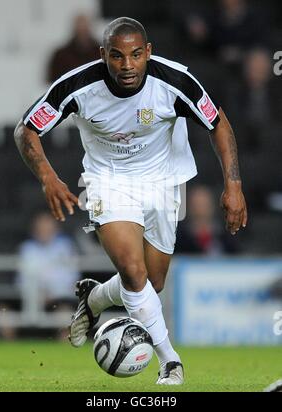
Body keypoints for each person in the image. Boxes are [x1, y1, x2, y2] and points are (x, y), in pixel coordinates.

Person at [14, 17, 247, 385]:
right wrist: (48, 177)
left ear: (148, 52)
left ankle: (95, 298)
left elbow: (218, 122)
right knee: (133, 274)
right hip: (108, 182)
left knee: (151, 283)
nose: (127, 65)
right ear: (103, 54)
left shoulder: (173, 81)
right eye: (118, 56)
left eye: (136, 55)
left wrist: (233, 185)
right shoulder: (79, 85)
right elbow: (26, 128)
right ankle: (170, 360)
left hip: (164, 182)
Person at [17, 211, 80, 339]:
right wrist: (40, 291)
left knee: (65, 316)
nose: (44, 230)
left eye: (47, 227)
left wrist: (52, 292)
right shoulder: (27, 248)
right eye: (41, 228)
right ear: (34, 230)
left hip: (60, 297)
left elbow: (71, 276)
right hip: (32, 297)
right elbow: (23, 278)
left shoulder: (65, 246)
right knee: (5, 315)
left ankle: (64, 353)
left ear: (55, 228)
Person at [175, 185, 239, 255]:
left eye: (204, 204)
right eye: (196, 205)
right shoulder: (178, 239)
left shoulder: (225, 238)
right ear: (189, 207)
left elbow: (238, 260)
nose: (199, 209)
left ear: (212, 206)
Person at [47, 14, 100, 83]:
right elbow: (52, 81)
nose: (82, 31)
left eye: (85, 28)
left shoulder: (101, 53)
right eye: (80, 29)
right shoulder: (61, 56)